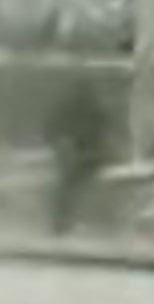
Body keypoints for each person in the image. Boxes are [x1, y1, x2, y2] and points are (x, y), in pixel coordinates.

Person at [44, 75, 112, 235]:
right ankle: (63, 221)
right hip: (81, 156)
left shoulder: (92, 111)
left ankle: (63, 221)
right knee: (69, 184)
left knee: (68, 184)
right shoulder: (94, 110)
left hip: (86, 156)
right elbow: (53, 131)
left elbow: (53, 130)